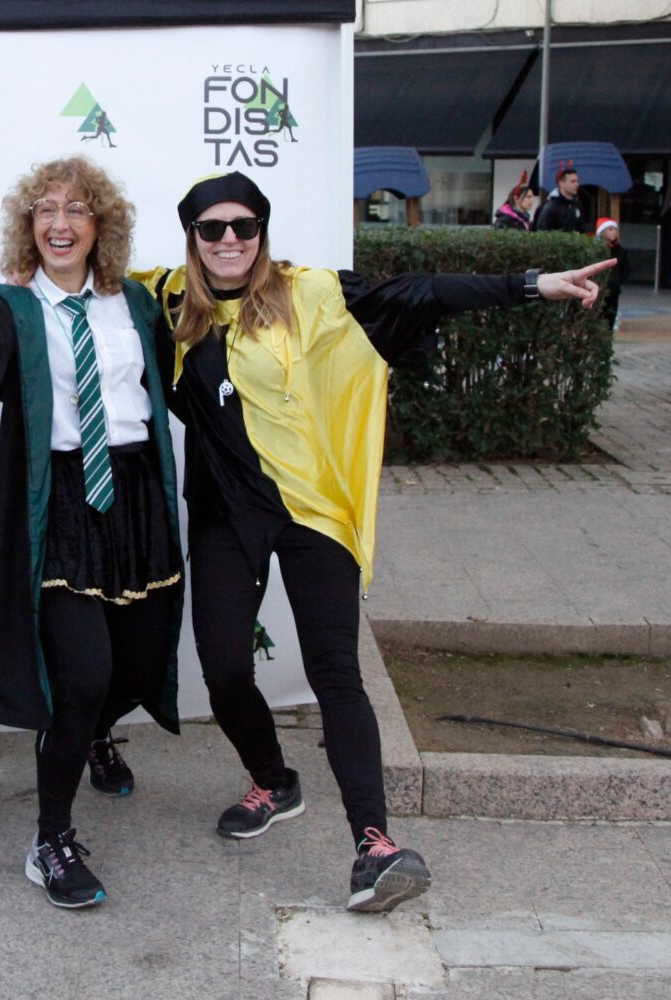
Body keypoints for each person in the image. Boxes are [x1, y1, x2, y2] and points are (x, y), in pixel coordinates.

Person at [135, 171, 612, 913]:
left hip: (312, 509)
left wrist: (531, 284)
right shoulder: (166, 299)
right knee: (223, 668)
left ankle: (375, 846)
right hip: (225, 515)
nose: (229, 240)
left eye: (244, 226)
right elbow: (76, 289)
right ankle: (274, 781)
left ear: (261, 232)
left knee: (336, 672)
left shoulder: (312, 293)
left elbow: (420, 292)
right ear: (191, 236)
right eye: (212, 228)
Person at [0, 155, 183, 908]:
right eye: (45, 209)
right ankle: (51, 838)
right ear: (29, 226)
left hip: (135, 493)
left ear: (99, 225)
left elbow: (168, 381)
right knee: (80, 674)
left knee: (134, 663)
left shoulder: (135, 302)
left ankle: (95, 734)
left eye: (77, 209)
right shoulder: (8, 306)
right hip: (59, 499)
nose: (60, 223)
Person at [595, 217, 631, 329]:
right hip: (597, 289)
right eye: (610, 229)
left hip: (613, 290)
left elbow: (626, 269)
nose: (614, 232)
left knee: (611, 316)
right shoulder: (596, 250)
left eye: (615, 229)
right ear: (602, 233)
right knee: (597, 316)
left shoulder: (620, 251)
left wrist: (618, 282)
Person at [535, 162, 583, 232]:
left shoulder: (577, 205)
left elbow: (581, 230)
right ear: (561, 183)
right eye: (572, 181)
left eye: (577, 181)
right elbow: (542, 230)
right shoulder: (551, 206)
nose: (577, 184)